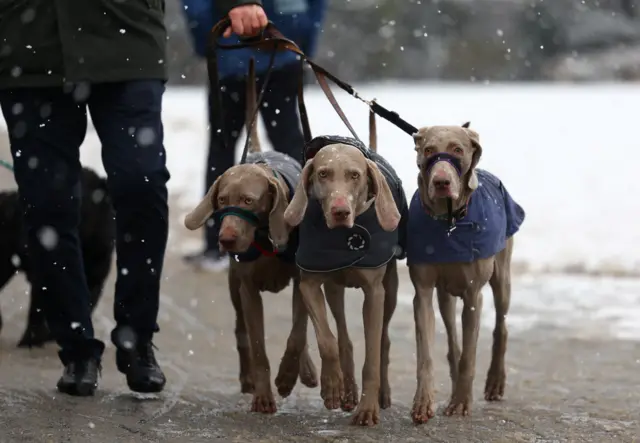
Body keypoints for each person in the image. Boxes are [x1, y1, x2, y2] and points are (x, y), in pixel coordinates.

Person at [0, 0, 268, 396]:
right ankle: (75, 346)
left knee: (141, 183)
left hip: (126, 33)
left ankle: (137, 335)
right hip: (29, 44)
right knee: (45, 203)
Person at [181, 0, 327, 271]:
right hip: (277, 53)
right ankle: (308, 235)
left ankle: (218, 242)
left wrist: (209, 40)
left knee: (223, 150)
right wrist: (299, 36)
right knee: (293, 148)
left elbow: (196, 8)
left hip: (236, 56)